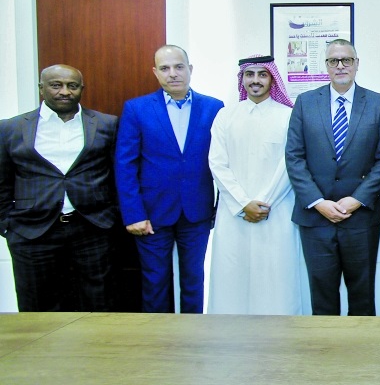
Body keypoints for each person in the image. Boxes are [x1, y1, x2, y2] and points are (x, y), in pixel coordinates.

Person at [285, 39, 380, 316]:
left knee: (362, 296)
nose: (341, 66)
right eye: (334, 60)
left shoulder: (379, 104)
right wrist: (318, 202)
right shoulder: (305, 103)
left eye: (347, 60)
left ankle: (360, 346)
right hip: (315, 218)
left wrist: (356, 200)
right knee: (322, 297)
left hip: (361, 218)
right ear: (326, 66)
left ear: (357, 64)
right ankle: (324, 346)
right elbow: (294, 157)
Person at [115, 45, 224, 313]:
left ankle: (192, 333)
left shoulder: (214, 107)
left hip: (197, 212)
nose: (172, 73)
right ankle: (157, 336)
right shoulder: (137, 109)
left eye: (178, 67)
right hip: (151, 214)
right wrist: (133, 214)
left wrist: (219, 208)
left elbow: (224, 161)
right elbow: (125, 165)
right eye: (164, 68)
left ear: (190, 69)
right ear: (155, 72)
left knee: (194, 280)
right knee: (155, 283)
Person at [0, 65, 118, 312]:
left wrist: (112, 216)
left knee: (99, 305)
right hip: (32, 231)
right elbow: (2, 181)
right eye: (56, 85)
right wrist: (7, 224)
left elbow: (119, 174)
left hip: (92, 228)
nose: (65, 91)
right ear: (41, 88)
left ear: (81, 89)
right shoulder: (11, 128)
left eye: (72, 86)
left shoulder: (106, 124)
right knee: (37, 309)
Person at [208, 55, 306, 315]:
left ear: (272, 79)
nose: (255, 80)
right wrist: (243, 203)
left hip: (275, 212)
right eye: (249, 74)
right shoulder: (225, 116)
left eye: (262, 74)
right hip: (234, 214)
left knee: (276, 280)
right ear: (242, 79)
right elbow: (217, 163)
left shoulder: (288, 116)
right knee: (231, 279)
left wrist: (263, 203)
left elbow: (290, 164)